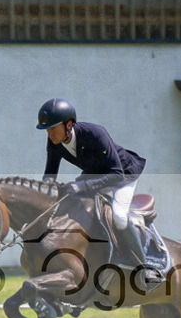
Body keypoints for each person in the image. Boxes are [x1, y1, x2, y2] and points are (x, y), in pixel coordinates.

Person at [36, 98, 156, 280]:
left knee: (119, 217)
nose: (50, 134)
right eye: (47, 129)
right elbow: (50, 173)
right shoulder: (54, 142)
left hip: (123, 174)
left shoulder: (95, 133)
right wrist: (42, 192)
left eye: (53, 128)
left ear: (69, 125)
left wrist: (82, 185)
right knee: (74, 204)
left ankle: (144, 266)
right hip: (95, 174)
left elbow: (116, 175)